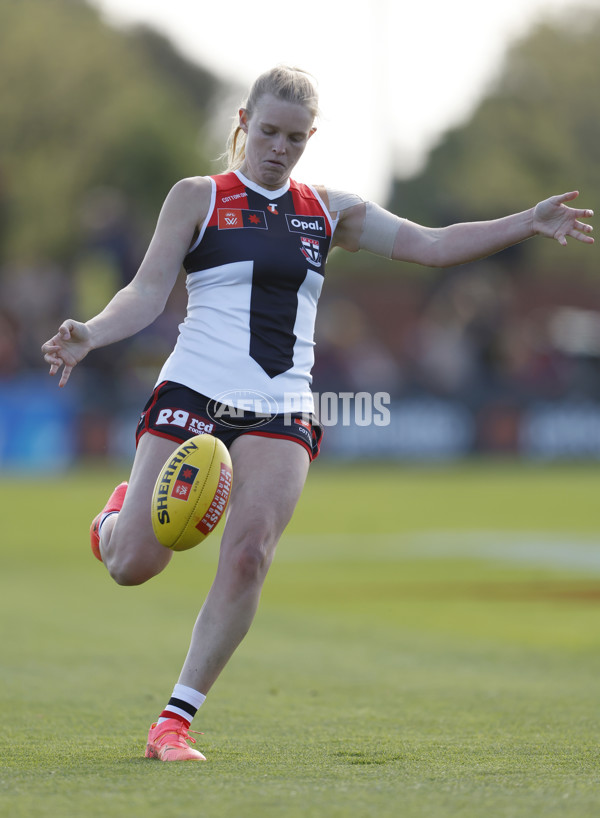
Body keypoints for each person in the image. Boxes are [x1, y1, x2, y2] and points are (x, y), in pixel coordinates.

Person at [41, 65, 594, 762]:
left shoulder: (328, 210)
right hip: (193, 392)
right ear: (243, 121)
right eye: (268, 131)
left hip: (281, 405)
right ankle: (112, 522)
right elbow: (147, 293)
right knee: (134, 563)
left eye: (295, 138)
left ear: (311, 138)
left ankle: (174, 721)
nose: (279, 147)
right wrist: (92, 331)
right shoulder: (198, 197)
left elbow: (430, 244)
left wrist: (528, 222)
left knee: (249, 555)